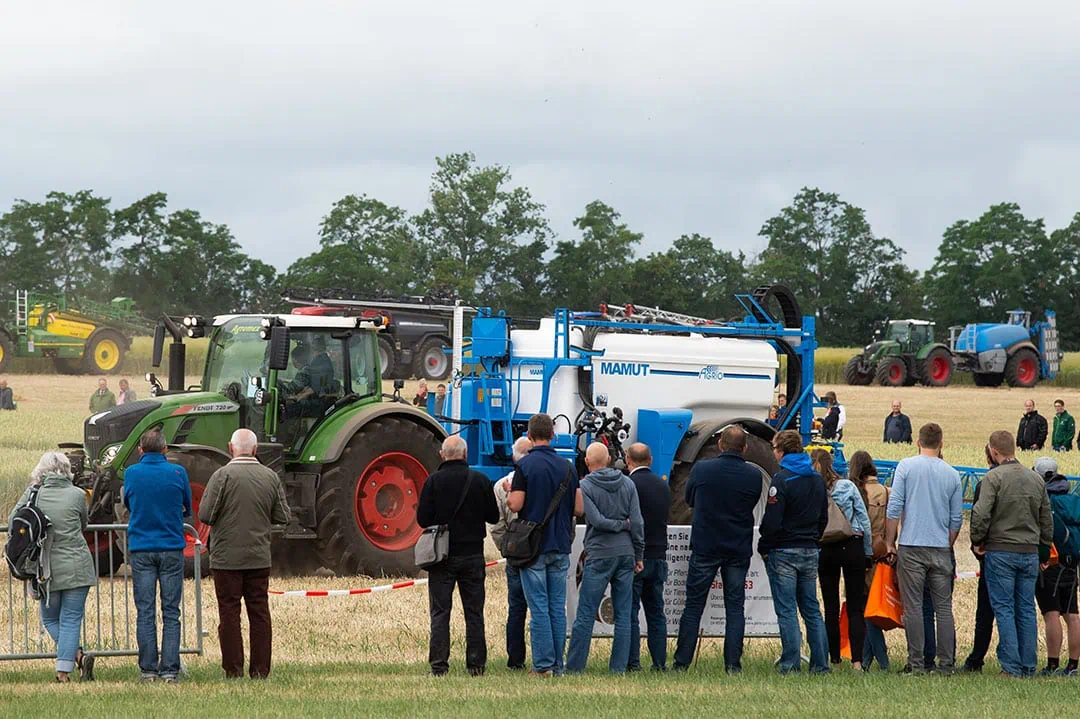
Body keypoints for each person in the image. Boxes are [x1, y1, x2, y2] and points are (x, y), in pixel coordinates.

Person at [198, 429, 291, 679]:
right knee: (259, 613)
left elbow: (205, 515)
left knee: (229, 614)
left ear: (231, 448)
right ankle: (261, 670)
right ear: (255, 449)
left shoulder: (221, 476)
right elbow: (284, 516)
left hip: (226, 559)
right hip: (258, 558)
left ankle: (233, 669)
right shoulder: (270, 477)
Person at [674, 426, 763, 673]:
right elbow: (752, 502)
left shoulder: (702, 469)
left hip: (706, 545)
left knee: (693, 606)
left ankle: (682, 663)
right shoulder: (753, 475)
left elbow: (690, 499)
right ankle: (733, 664)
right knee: (735, 608)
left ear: (720, 445)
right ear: (744, 448)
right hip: (737, 547)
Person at [970, 431, 1054, 677]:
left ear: (994, 452)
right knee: (1026, 608)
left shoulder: (993, 478)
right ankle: (1028, 665)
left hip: (1000, 551)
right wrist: (1044, 549)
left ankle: (1011, 666)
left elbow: (981, 513)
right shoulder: (1035, 479)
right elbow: (1046, 519)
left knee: (1004, 608)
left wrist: (977, 540)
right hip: (1029, 552)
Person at [8, 452, 96, 682]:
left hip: (45, 570)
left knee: (50, 619)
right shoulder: (78, 495)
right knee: (71, 618)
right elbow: (84, 523)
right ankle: (72, 660)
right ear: (67, 470)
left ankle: (66, 668)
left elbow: (12, 522)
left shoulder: (33, 494)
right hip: (78, 566)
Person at [417, 435, 499, 677]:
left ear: (443, 455)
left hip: (442, 557)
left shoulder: (433, 482)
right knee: (474, 612)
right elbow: (493, 517)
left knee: (440, 613)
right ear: (465, 455)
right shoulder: (480, 480)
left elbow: (422, 519)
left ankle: (439, 666)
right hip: (473, 555)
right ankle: (476, 665)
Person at [507, 413, 582, 677]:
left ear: (529, 436)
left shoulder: (525, 467)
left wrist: (509, 496)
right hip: (560, 544)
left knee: (538, 607)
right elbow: (579, 507)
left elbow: (515, 504)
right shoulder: (569, 467)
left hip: (534, 547)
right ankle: (558, 666)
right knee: (556, 609)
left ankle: (542, 666)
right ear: (553, 435)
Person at [884, 422, 962, 675]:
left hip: (911, 545)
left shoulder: (906, 466)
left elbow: (894, 507)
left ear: (918, 442)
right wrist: (947, 542)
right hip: (940, 547)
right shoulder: (952, 474)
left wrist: (889, 542)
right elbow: (956, 519)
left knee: (914, 607)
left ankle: (917, 663)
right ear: (941, 444)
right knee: (943, 608)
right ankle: (946, 664)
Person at [566, 442, 644, 674]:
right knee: (623, 614)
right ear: (609, 459)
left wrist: (616, 526)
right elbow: (638, 522)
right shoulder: (628, 483)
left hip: (599, 553)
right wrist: (638, 552)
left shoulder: (585, 485)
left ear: (588, 462)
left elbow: (596, 520)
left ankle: (575, 667)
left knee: (586, 612)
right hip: (626, 553)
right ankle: (618, 668)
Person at [122, 430, 192, 683]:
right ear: (165, 450)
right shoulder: (178, 472)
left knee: (146, 611)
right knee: (171, 611)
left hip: (141, 548)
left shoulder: (131, 473)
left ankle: (148, 669)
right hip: (172, 547)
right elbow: (187, 507)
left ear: (140, 450)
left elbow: (128, 503)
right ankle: (170, 669)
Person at [759, 429, 830, 674]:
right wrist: (813, 538)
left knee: (787, 609)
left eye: (775, 449)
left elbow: (772, 521)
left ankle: (791, 664)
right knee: (811, 608)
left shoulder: (782, 479)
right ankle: (821, 664)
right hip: (810, 549)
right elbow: (824, 517)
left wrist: (764, 545)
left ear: (782, 451)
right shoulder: (817, 479)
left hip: (784, 550)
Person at [812, 449, 872, 670]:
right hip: (852, 545)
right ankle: (857, 661)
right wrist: (867, 553)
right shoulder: (847, 486)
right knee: (855, 606)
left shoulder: (814, 488)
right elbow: (863, 521)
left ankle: (834, 660)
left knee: (830, 606)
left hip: (825, 547)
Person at [487, 436, 533, 670]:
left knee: (516, 609)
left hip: (515, 556)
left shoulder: (500, 486)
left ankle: (515, 660)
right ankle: (547, 657)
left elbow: (497, 526)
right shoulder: (543, 480)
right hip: (541, 553)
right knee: (543, 607)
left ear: (514, 456)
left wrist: (507, 549)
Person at [625, 442, 670, 672]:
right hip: (659, 555)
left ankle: (633, 663)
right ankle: (659, 663)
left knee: (631, 612)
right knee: (656, 613)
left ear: (627, 460)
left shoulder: (629, 485)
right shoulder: (663, 486)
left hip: (636, 557)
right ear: (650, 460)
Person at [1033, 457, 1080, 676]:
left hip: (1050, 563)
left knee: (1051, 613)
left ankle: (1052, 664)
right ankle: (1073, 665)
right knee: (1072, 614)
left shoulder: (1045, 500)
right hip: (1072, 562)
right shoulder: (1074, 500)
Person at [847, 451, 891, 671]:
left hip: (863, 553)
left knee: (866, 609)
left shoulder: (856, 492)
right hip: (882, 554)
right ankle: (866, 660)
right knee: (872, 608)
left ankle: (882, 661)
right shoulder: (886, 491)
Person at [960, 445, 998, 673]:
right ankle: (1022, 658)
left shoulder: (987, 483)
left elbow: (979, 515)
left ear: (990, 455)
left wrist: (977, 544)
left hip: (993, 553)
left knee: (986, 612)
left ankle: (977, 659)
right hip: (1024, 551)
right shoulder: (1029, 479)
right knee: (1020, 609)